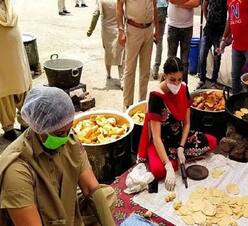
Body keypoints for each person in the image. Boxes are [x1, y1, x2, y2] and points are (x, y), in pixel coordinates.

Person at [0, 87, 115, 226]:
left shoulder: (69, 140)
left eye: (69, 129)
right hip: (39, 218)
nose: (66, 138)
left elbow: (91, 188)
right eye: (60, 133)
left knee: (106, 195)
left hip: (63, 208)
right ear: (38, 128)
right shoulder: (16, 170)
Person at [137, 57, 218, 191]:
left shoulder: (183, 89)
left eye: (179, 79)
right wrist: (167, 165)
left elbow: (186, 123)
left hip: (180, 137)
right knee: (158, 171)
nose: (176, 83)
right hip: (162, 142)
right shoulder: (156, 97)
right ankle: (171, 162)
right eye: (172, 80)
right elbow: (156, 137)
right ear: (164, 76)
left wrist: (181, 146)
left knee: (213, 141)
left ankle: (177, 158)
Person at [117, 0, 159, 108]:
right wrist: (121, 30)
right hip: (133, 29)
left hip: (149, 29)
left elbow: (154, 5)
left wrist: (157, 28)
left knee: (145, 72)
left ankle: (141, 104)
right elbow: (119, 6)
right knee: (130, 70)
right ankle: (127, 106)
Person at [0, 0, 32, 141]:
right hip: (8, 56)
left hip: (14, 55)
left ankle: (21, 123)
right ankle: (10, 127)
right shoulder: (9, 5)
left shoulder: (8, 4)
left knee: (18, 89)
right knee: (6, 93)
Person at [87, 0, 124, 83]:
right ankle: (122, 80)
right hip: (119, 28)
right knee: (121, 53)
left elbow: (95, 14)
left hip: (106, 30)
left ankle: (108, 73)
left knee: (108, 51)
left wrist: (90, 30)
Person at [167, 0, 201, 83]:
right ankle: (169, 87)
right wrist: (187, 2)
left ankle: (183, 88)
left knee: (184, 62)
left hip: (187, 27)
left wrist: (179, 3)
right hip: (173, 26)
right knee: (171, 59)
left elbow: (196, 3)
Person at [196, 0, 227, 89]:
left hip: (220, 31)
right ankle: (202, 79)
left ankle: (214, 81)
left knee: (217, 58)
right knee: (202, 55)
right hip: (208, 30)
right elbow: (204, 6)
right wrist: (207, 19)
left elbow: (230, 13)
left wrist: (226, 35)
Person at [151, 0, 168, 80]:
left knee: (147, 39)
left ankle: (146, 66)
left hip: (151, 7)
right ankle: (156, 69)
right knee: (159, 41)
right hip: (162, 8)